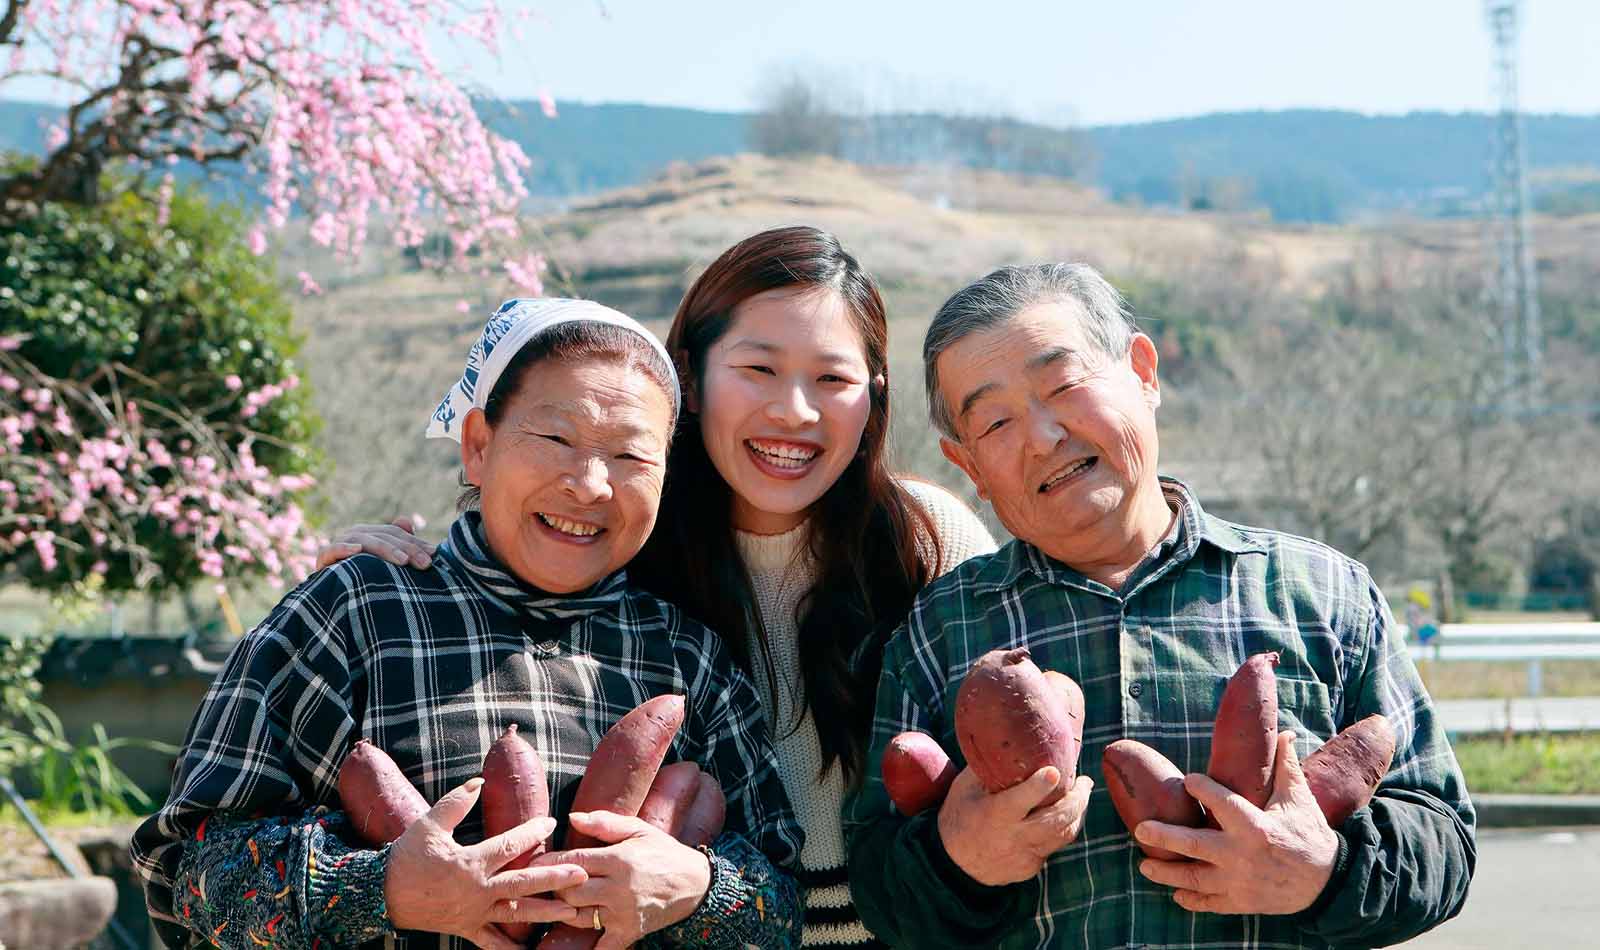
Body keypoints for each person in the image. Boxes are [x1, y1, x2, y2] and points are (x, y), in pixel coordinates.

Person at [321, 226, 997, 949]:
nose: (795, 411)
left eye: (832, 380)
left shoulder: (926, 537)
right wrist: (384, 564)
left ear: (874, 397)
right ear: (692, 381)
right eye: (758, 369)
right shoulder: (613, 539)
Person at [132, 299, 804, 950]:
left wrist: (698, 888)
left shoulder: (690, 657)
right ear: (478, 446)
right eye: (556, 438)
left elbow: (780, 909)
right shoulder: (354, 612)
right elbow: (186, 876)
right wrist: (379, 888)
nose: (591, 484)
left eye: (631, 457)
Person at [842, 263, 1476, 948]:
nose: (1042, 436)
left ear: (1144, 372)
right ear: (968, 467)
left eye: (1064, 385)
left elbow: (1442, 836)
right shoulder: (938, 631)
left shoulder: (1322, 593)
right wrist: (957, 860)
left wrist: (1324, 870)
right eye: (995, 421)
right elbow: (880, 888)